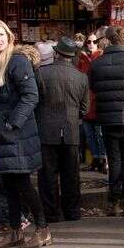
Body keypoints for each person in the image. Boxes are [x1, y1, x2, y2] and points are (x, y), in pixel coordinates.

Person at [0, 20, 46, 248]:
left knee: (22, 183)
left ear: (9, 37)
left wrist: (12, 124)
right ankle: (15, 231)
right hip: (2, 134)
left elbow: (31, 95)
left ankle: (42, 228)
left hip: (16, 134)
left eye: (1, 35)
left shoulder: (16, 60)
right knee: (8, 184)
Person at [36, 37, 89, 224]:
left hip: (46, 130)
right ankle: (72, 212)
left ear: (56, 53)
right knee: (71, 174)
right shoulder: (81, 77)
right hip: (71, 130)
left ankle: (51, 214)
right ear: (72, 55)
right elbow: (85, 108)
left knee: (47, 175)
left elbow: (35, 102)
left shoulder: (41, 73)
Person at [89, 25, 124, 215]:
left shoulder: (97, 63)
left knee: (114, 158)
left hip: (106, 116)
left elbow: (93, 87)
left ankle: (114, 199)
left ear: (107, 40)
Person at [78, 33, 107, 174]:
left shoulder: (101, 58)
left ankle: (102, 159)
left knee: (99, 133)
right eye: (88, 41)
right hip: (85, 102)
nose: (91, 44)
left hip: (98, 102)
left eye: (94, 41)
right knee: (89, 134)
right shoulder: (82, 59)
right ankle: (95, 159)